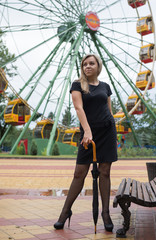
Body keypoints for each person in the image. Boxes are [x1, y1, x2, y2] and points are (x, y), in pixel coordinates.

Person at [54, 53, 118, 232]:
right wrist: (87, 131)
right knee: (79, 173)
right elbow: (78, 107)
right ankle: (65, 212)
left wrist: (112, 128)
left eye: (91, 63)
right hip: (88, 133)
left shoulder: (106, 86)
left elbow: (109, 109)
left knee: (104, 172)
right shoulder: (77, 84)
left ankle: (105, 213)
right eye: (84, 64)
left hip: (107, 131)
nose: (87, 66)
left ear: (98, 66)